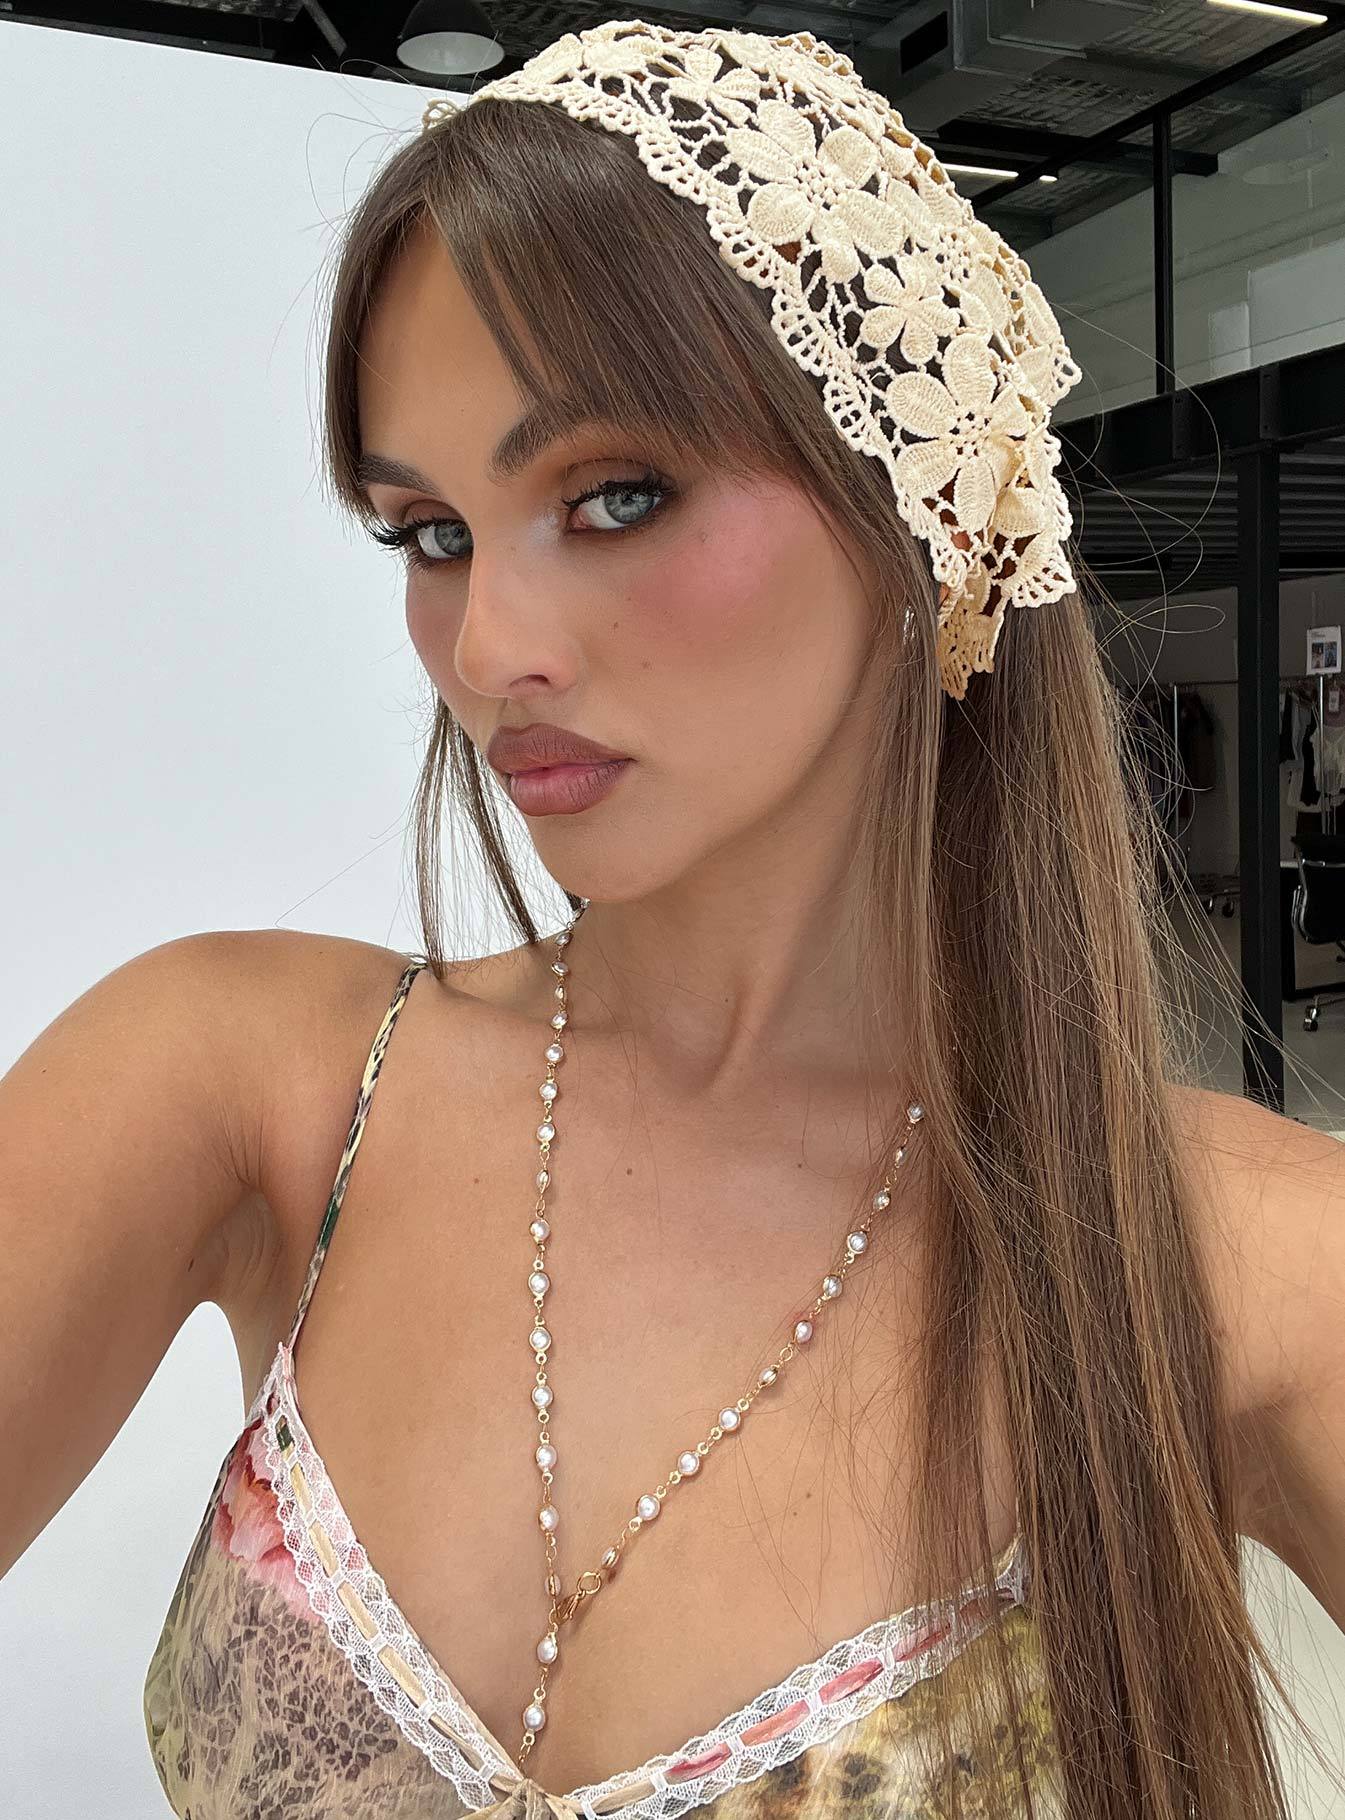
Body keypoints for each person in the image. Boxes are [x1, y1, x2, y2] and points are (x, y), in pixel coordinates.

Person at [4, 21, 1344, 1820]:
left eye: (614, 497)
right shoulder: (242, 1083)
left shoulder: (1241, 1262)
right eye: (430, 532)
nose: (489, 651)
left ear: (921, 511)